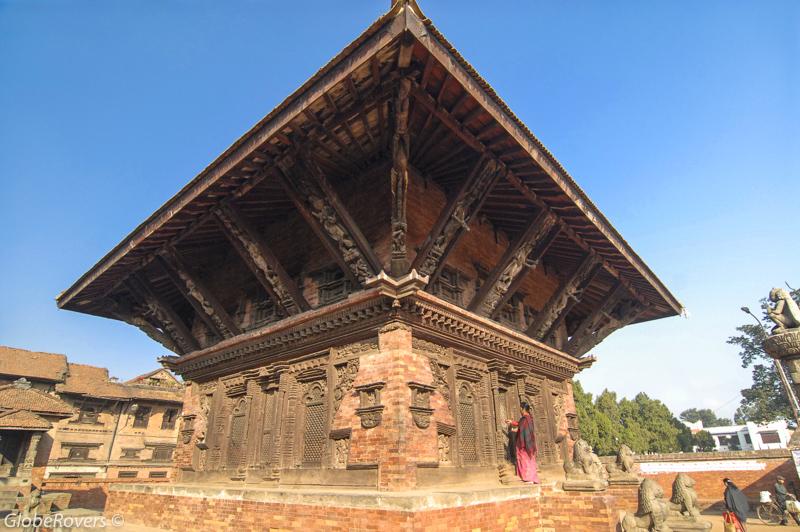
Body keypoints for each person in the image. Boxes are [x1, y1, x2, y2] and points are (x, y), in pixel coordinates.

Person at [505, 402, 540, 484]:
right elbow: (520, 425)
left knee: (524, 460)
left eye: (520, 408)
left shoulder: (525, 419)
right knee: (530, 460)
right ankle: (532, 478)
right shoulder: (529, 418)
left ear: (522, 408)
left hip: (524, 443)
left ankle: (528, 478)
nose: (519, 410)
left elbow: (523, 429)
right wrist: (512, 422)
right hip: (529, 443)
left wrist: (516, 431)